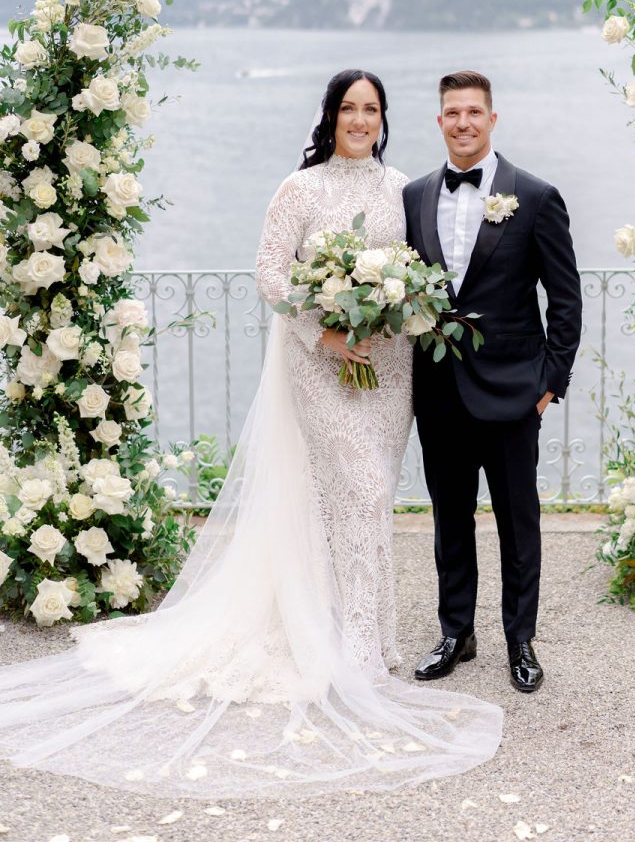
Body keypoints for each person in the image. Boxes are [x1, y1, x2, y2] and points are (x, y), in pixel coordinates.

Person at [0, 69, 502, 799]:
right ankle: (357, 653)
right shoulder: (299, 190)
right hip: (323, 365)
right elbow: (270, 275)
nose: (359, 119)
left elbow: (424, 271)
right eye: (348, 108)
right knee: (357, 490)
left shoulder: (402, 188)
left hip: (387, 372)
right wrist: (324, 330)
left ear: (385, 118)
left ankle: (365, 631)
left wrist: (395, 310)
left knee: (366, 499)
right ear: (329, 117)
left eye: (371, 109)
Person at [403, 70, 582, 693]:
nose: (463, 123)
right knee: (449, 519)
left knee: (517, 522)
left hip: (512, 393)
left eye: (474, 112)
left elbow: (565, 300)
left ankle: (521, 641)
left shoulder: (535, 196)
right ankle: (457, 632)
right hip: (439, 393)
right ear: (439, 121)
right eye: (452, 112)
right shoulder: (415, 196)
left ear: (492, 119)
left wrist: (549, 383)